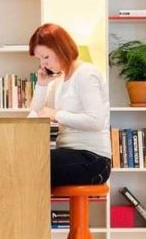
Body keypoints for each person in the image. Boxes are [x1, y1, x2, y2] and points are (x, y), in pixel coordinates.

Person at [28, 23, 111, 187]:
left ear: (60, 49)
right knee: (25, 162)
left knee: (30, 166)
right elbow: (35, 115)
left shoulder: (86, 74)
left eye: (46, 57)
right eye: (39, 59)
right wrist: (42, 84)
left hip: (94, 159)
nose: (43, 64)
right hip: (69, 153)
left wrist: (55, 114)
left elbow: (96, 121)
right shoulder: (60, 80)